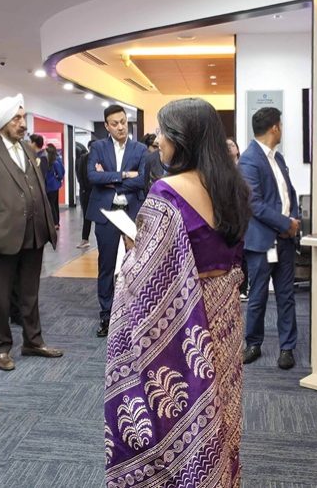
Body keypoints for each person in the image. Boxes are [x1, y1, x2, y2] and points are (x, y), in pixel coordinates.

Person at [104, 98, 250, 488]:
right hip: (224, 311)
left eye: (163, 132)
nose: (158, 141)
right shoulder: (234, 187)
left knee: (178, 407)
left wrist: (134, 249)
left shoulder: (166, 193)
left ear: (182, 138)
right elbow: (234, 254)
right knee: (220, 400)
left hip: (184, 321)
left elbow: (145, 275)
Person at [0, 94, 63, 371]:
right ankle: (0, 347)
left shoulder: (28, 150)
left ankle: (33, 341)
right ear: (2, 122)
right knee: (0, 296)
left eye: (23, 117)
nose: (22, 123)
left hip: (34, 233)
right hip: (0, 236)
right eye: (16, 118)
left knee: (30, 293)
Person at [239, 107, 300, 370]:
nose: (282, 129)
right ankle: (253, 344)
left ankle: (287, 348)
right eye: (281, 125)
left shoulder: (279, 158)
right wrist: (286, 224)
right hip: (262, 241)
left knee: (286, 296)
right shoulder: (248, 160)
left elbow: (289, 194)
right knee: (258, 296)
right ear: (275, 127)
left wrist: (294, 220)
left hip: (285, 241)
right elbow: (254, 204)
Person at [86, 104, 146, 337]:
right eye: (115, 124)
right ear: (107, 126)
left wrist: (109, 179)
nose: (120, 127)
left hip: (132, 212)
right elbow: (93, 176)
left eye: (123, 122)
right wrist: (124, 175)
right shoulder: (98, 147)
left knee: (135, 264)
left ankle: (134, 312)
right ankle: (106, 314)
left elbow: (142, 180)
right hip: (106, 213)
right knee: (107, 265)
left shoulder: (140, 149)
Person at [226, 138, 248, 300]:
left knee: (243, 254)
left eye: (232, 145)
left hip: (242, 216)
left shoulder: (244, 168)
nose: (229, 147)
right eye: (225, 146)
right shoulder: (220, 171)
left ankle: (243, 288)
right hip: (228, 217)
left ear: (238, 150)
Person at [74, 141, 94, 249]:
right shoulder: (83, 159)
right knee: (87, 216)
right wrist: (83, 189)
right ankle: (85, 239)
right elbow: (79, 175)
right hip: (86, 192)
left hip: (98, 192)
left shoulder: (102, 159)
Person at [44, 142, 64, 227]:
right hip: (55, 186)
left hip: (51, 187)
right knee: (55, 205)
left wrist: (57, 178)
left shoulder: (54, 162)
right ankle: (56, 222)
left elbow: (60, 174)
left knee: (51, 205)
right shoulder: (57, 159)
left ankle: (55, 223)